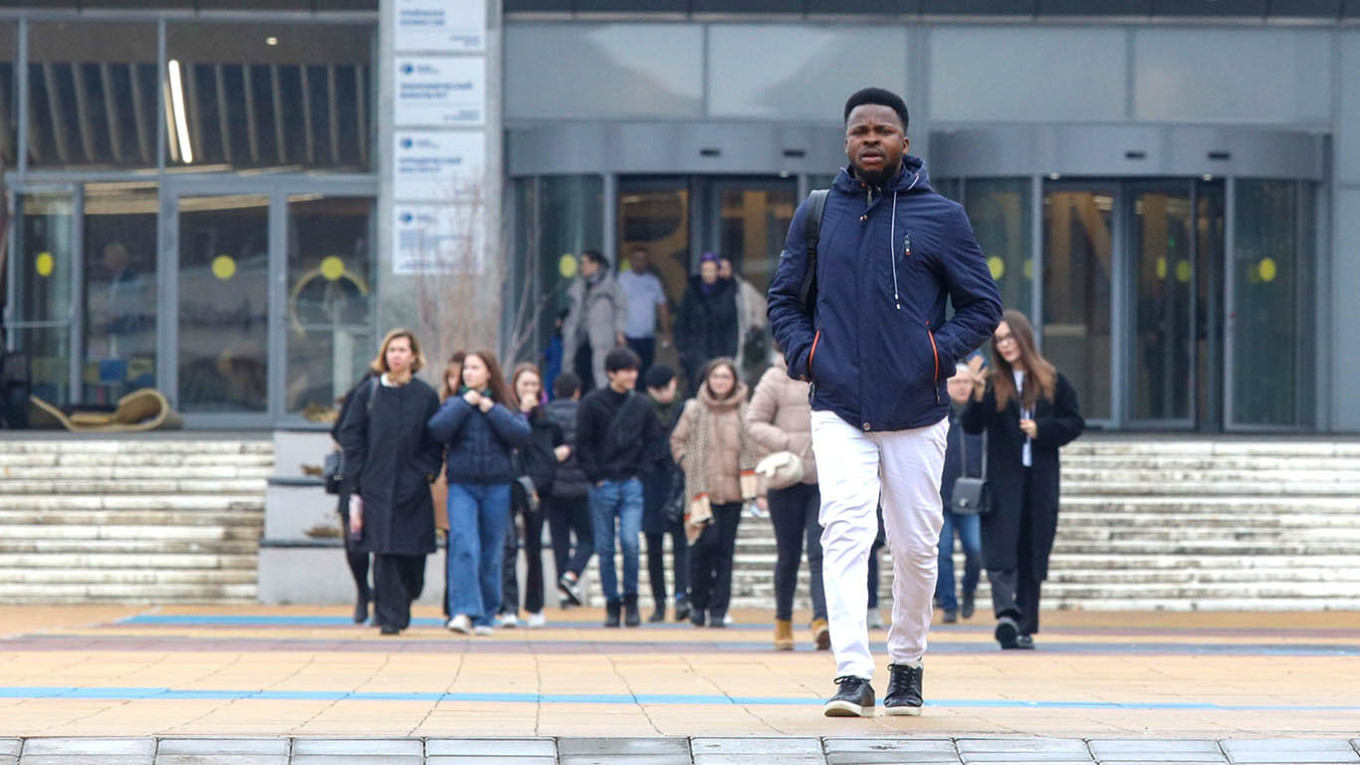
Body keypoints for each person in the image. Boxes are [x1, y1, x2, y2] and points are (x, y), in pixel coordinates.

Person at [767, 87, 1003, 717]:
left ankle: (906, 664)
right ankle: (852, 673)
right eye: (859, 130)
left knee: (917, 546)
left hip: (917, 410)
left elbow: (983, 305)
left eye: (883, 130)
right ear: (846, 141)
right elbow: (784, 300)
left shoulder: (942, 217)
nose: (870, 138)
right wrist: (807, 355)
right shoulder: (817, 214)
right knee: (844, 531)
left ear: (905, 140)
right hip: (839, 404)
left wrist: (933, 354)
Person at [962, 310, 1084, 650]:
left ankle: (1025, 625)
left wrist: (1041, 429)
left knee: (1032, 549)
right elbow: (972, 426)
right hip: (1004, 481)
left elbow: (1074, 422)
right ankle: (1007, 616)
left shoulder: (1051, 380)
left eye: (1009, 338)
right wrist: (976, 391)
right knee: (1000, 548)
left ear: (1023, 338)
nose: (1005, 345)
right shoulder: (992, 383)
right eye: (999, 340)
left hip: (1039, 482)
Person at [336, 329, 444, 636]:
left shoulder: (425, 395)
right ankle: (387, 616)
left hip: (413, 486)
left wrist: (426, 471)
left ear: (413, 356)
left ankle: (404, 600)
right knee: (383, 550)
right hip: (376, 484)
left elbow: (434, 440)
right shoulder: (369, 393)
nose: (396, 355)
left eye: (402, 350)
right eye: (392, 350)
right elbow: (350, 433)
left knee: (412, 555)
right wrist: (359, 473)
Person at [428, 350, 532, 636]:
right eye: (466, 368)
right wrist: (465, 404)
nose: (468, 373)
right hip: (462, 485)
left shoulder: (504, 404)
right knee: (463, 545)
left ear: (489, 372)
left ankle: (486, 615)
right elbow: (437, 430)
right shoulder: (454, 403)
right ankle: (462, 611)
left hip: (497, 486)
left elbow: (521, 434)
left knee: (491, 551)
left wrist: (491, 409)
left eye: (475, 368)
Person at [575, 347, 665, 628]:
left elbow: (654, 442)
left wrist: (640, 473)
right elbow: (583, 443)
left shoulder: (642, 404)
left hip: (631, 483)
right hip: (603, 484)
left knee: (630, 542)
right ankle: (612, 604)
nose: (632, 375)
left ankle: (631, 600)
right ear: (611, 373)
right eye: (626, 370)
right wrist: (595, 477)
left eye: (634, 370)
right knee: (604, 548)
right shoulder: (592, 403)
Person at [747, 353, 829, 651]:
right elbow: (753, 422)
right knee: (788, 555)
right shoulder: (775, 377)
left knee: (821, 552)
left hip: (824, 478)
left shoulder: (831, 369)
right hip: (786, 478)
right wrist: (786, 441)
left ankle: (822, 620)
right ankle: (783, 622)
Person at [670, 357, 758, 629]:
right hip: (702, 492)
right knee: (703, 546)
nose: (720, 382)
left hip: (733, 492)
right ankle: (698, 604)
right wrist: (688, 464)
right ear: (707, 380)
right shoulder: (694, 409)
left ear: (734, 381)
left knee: (724, 551)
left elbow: (755, 445)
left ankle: (719, 609)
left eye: (726, 377)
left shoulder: (745, 411)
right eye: (716, 376)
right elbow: (677, 441)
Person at [499, 363, 562, 629]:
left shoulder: (548, 419)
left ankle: (535, 605)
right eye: (524, 384)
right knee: (508, 546)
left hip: (537, 488)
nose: (530, 390)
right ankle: (508, 606)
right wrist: (522, 413)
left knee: (534, 548)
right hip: (509, 485)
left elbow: (553, 451)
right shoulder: (506, 414)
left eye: (534, 385)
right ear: (514, 387)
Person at [937, 360, 986, 624]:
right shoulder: (938, 414)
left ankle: (969, 589)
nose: (962, 387)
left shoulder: (979, 414)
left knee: (975, 550)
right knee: (942, 552)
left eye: (966, 381)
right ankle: (948, 604)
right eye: (956, 382)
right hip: (941, 496)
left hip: (971, 496)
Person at [641, 364, 689, 623]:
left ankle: (682, 597)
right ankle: (659, 602)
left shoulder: (685, 409)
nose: (663, 393)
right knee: (654, 546)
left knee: (681, 543)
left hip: (678, 480)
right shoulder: (641, 410)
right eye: (657, 389)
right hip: (650, 483)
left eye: (666, 387)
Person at [330, 368, 379, 625]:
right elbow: (339, 432)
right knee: (354, 542)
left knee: (385, 544)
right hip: (354, 479)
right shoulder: (360, 395)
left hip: (386, 479)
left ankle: (382, 598)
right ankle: (363, 591)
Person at [542, 372, 595, 608]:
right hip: (582, 487)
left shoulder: (546, 413)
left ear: (555, 391)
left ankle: (564, 591)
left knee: (559, 541)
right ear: (577, 392)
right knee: (588, 539)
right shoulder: (586, 412)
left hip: (553, 487)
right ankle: (571, 576)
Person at [561, 250, 628, 392]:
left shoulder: (610, 286)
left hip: (602, 336)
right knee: (578, 370)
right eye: (582, 263)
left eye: (586, 263)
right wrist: (567, 329)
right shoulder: (579, 286)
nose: (583, 267)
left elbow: (621, 309)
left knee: (601, 370)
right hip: (580, 337)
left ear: (596, 264)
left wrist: (620, 331)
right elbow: (573, 311)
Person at [676, 253, 738, 392]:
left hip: (719, 348)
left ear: (717, 271)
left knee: (719, 386)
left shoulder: (726, 291)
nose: (708, 274)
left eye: (711, 270)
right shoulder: (692, 291)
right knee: (697, 385)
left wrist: (730, 352)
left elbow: (732, 325)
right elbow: (682, 321)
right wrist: (683, 349)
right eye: (705, 270)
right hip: (695, 349)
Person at [436, 351, 467, 620]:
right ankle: (452, 602)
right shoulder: (443, 407)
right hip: (446, 479)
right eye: (452, 376)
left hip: (472, 479)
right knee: (453, 544)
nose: (456, 381)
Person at [617, 246, 672, 382]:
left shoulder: (653, 281)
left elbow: (662, 306)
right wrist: (618, 332)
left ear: (648, 262)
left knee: (646, 371)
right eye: (636, 259)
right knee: (628, 370)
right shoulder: (621, 279)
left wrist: (667, 332)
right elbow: (615, 307)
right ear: (630, 260)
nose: (639, 263)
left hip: (648, 336)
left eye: (643, 260)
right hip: (628, 335)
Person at [719, 257, 770, 386]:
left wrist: (755, 325)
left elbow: (763, 309)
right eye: (719, 268)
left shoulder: (743, 289)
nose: (722, 272)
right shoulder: (710, 291)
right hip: (717, 341)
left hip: (740, 339)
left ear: (731, 269)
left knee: (738, 378)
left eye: (725, 268)